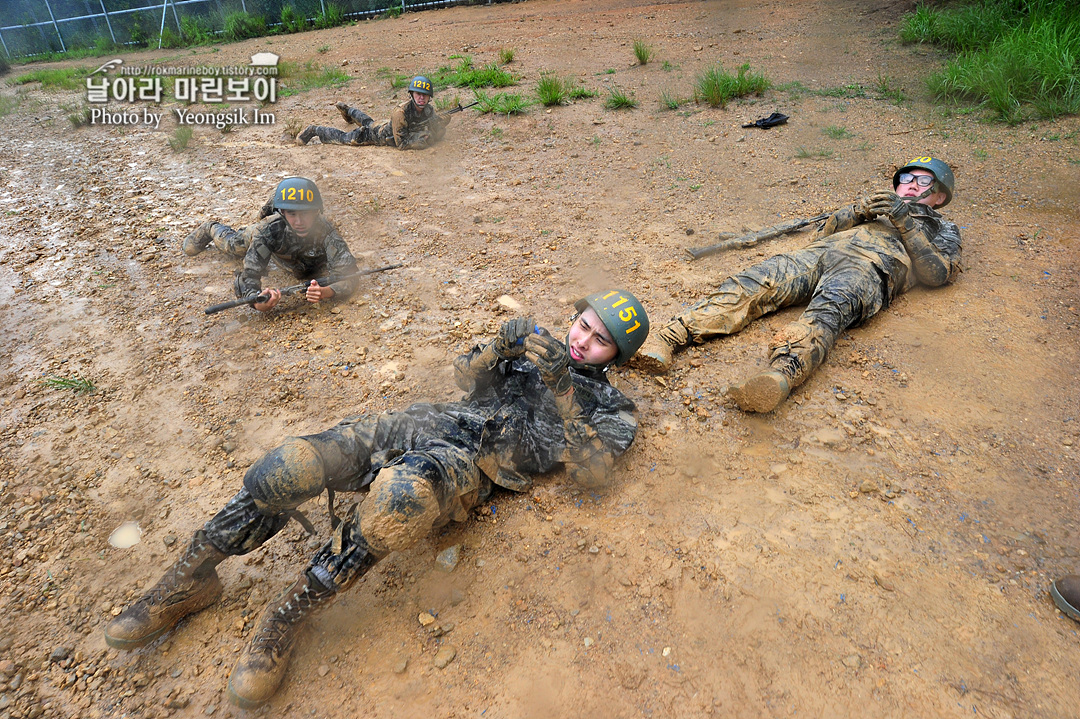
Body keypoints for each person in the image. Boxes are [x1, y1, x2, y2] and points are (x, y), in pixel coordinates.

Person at [103, 290, 650, 708]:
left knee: (399, 501)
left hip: (472, 463)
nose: (581, 340)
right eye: (582, 324)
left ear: (615, 356)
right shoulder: (535, 351)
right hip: (420, 422)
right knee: (287, 466)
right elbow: (461, 375)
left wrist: (562, 388)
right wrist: (495, 348)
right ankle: (189, 578)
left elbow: (594, 473)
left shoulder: (614, 408)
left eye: (599, 339)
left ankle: (286, 621)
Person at [633, 156, 962, 413]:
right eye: (906, 179)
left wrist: (903, 218)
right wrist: (855, 211)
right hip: (818, 254)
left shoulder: (942, 229)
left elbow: (936, 274)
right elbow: (823, 233)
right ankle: (667, 337)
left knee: (828, 311)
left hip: (869, 266)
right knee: (754, 283)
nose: (910, 185)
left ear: (939, 196)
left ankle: (779, 377)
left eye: (922, 182)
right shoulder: (875, 208)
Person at [182, 177, 360, 311]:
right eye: (292, 214)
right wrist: (257, 302)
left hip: (297, 261)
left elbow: (349, 275)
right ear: (282, 212)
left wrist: (327, 291)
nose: (299, 221)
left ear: (316, 212)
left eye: (305, 213)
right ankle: (211, 228)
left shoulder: (327, 232)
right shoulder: (267, 231)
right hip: (263, 235)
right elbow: (248, 278)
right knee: (233, 246)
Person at [295, 76, 449, 150]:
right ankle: (314, 130)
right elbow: (401, 144)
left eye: (425, 95)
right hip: (375, 136)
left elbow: (434, 122)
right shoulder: (400, 113)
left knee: (369, 122)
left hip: (384, 125)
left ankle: (348, 110)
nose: (421, 98)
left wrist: (441, 121)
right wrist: (421, 139)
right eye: (418, 94)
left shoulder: (428, 110)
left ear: (430, 97)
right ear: (411, 94)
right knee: (345, 138)